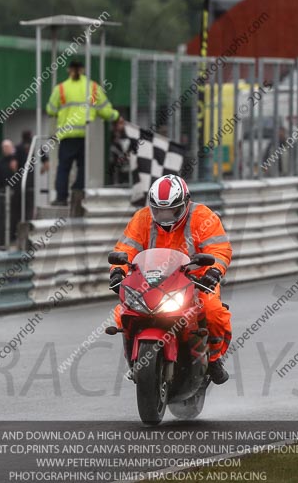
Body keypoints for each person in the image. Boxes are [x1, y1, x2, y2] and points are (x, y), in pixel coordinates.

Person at [108, 174, 232, 384]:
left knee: (213, 313)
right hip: (150, 282)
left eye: (171, 210)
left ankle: (213, 359)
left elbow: (219, 248)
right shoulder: (143, 218)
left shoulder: (203, 217)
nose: (164, 216)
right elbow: (125, 248)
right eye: (159, 210)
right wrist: (117, 270)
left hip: (196, 280)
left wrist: (214, 270)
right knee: (123, 313)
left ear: (185, 203)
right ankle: (134, 358)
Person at [46, 59, 123, 206]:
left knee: (64, 168)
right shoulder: (93, 88)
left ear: (69, 70)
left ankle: (61, 198)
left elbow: (51, 109)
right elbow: (105, 111)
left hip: (67, 135)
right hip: (86, 136)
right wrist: (117, 117)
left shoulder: (61, 89)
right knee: (83, 168)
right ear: (83, 69)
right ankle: (78, 195)